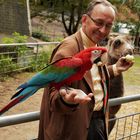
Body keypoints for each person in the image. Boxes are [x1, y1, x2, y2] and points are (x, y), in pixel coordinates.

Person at [38, 0, 133, 140]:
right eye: (99, 23)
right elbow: (52, 97)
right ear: (84, 20)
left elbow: (90, 78)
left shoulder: (94, 46)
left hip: (96, 120)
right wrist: (67, 100)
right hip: (75, 127)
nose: (103, 30)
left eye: (108, 25)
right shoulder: (69, 50)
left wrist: (115, 69)